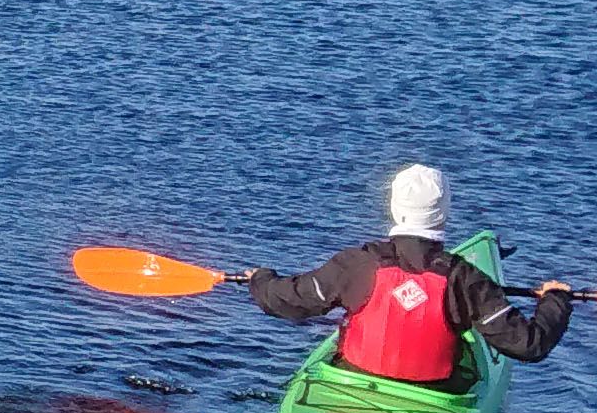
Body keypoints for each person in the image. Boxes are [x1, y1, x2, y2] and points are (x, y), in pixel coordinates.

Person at [241, 164, 576, 389]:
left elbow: (291, 300)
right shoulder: (465, 279)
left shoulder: (357, 264)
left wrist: (261, 280)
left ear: (393, 207)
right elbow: (530, 345)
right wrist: (555, 301)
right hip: (433, 392)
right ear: (444, 211)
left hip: (356, 382)